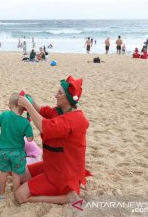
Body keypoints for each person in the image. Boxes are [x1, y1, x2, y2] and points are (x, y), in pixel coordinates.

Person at [14, 76, 91, 204]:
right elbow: (43, 112)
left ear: (68, 98)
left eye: (60, 93)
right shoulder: (61, 111)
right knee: (19, 173)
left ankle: (68, 197)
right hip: (52, 166)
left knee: (20, 196)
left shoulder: (72, 120)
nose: (55, 95)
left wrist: (27, 105)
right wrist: (31, 101)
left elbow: (44, 127)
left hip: (62, 174)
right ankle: (59, 192)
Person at [0, 92, 34, 195]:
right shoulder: (25, 122)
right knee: (16, 175)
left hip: (3, 151)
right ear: (24, 109)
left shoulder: (4, 114)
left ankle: (1, 191)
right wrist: (28, 127)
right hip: (18, 153)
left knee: (4, 172)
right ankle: (15, 193)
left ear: (10, 105)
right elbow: (30, 139)